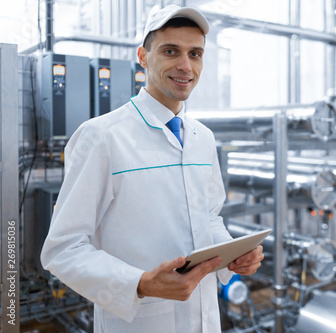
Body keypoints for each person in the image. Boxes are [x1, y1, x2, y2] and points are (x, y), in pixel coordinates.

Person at [41, 5, 264, 333]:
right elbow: (63, 248)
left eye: (196, 53)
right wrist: (141, 283)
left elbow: (209, 217)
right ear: (143, 57)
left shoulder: (203, 138)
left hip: (205, 319)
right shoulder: (102, 137)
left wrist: (232, 255)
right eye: (171, 51)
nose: (185, 66)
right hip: (139, 322)